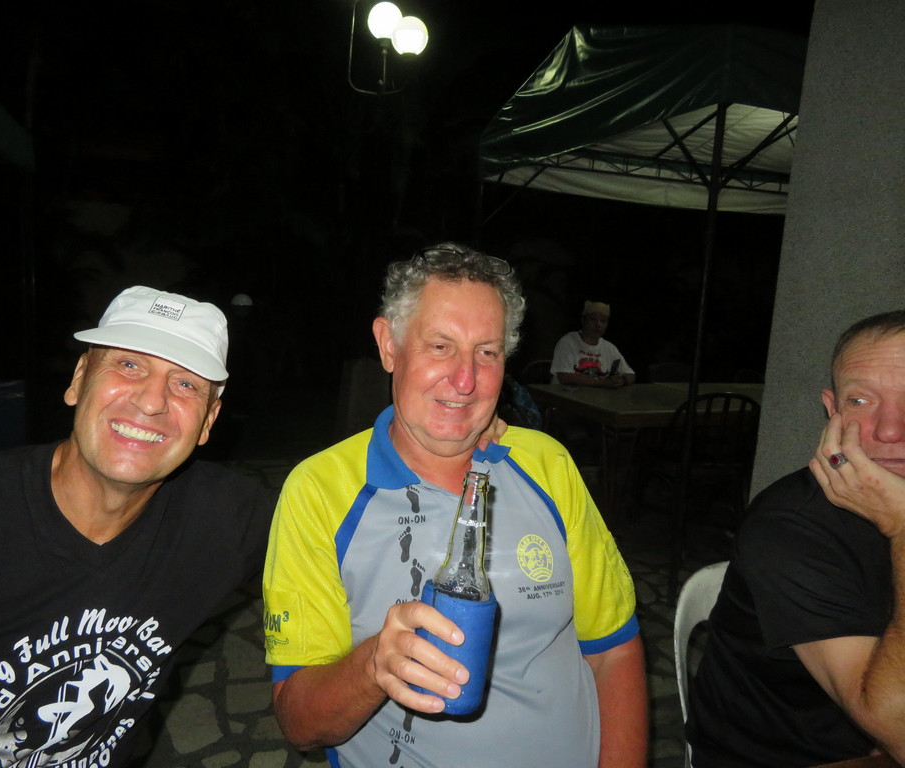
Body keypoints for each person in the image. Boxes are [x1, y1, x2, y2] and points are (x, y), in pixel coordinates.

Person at [262, 243, 648, 768]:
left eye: (487, 352)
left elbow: (613, 650)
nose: (465, 381)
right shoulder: (319, 491)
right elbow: (300, 725)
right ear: (389, 345)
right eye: (440, 346)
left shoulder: (546, 464)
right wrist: (375, 665)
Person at [0, 285, 274, 767]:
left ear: (209, 420)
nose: (152, 401)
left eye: (186, 384)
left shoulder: (229, 519)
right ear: (78, 379)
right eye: (129, 365)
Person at [686, 310, 905, 767]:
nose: (889, 429)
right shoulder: (788, 525)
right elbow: (898, 729)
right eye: (860, 400)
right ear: (832, 410)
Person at [550, 300, 636, 387]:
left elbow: (630, 374)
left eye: (603, 321)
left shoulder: (609, 348)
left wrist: (621, 380)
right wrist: (603, 383)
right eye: (593, 319)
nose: (598, 324)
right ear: (583, 320)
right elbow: (564, 377)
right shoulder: (568, 342)